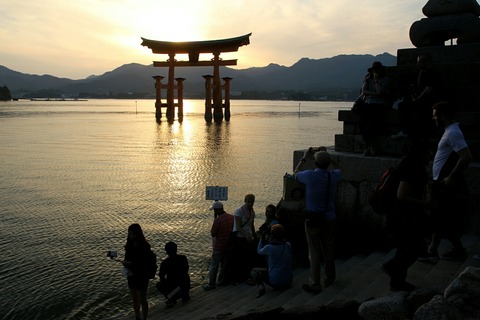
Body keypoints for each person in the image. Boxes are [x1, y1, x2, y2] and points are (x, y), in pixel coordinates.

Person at [420, 102, 473, 261]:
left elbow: (467, 157)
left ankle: (440, 250)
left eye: (435, 114)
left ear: (443, 115)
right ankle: (434, 250)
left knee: (439, 216)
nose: (433, 117)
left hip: (445, 183)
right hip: (440, 181)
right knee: (441, 216)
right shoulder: (449, 131)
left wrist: (451, 176)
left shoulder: (453, 133)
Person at [382, 140, 432, 292]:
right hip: (402, 216)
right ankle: (391, 267)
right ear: (421, 153)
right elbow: (401, 195)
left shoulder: (409, 164)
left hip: (401, 215)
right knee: (417, 246)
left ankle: (397, 282)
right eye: (429, 151)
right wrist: (425, 204)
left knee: (406, 247)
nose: (431, 155)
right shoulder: (413, 168)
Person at [294, 147, 341, 294]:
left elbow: (295, 173)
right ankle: (330, 277)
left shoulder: (309, 176)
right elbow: (339, 168)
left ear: (314, 163)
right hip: (330, 218)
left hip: (313, 219)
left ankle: (315, 284)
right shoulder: (333, 176)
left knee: (314, 252)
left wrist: (304, 158)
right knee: (329, 249)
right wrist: (328, 157)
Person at [392, 54, 441, 139]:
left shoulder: (431, 73)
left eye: (420, 62)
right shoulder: (420, 73)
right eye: (418, 62)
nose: (418, 64)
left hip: (428, 101)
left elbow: (428, 89)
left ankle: (407, 132)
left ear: (427, 62)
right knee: (402, 106)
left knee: (414, 111)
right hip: (419, 99)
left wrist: (418, 98)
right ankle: (405, 131)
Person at [358, 61, 392, 156]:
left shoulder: (385, 80)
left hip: (379, 104)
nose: (375, 72)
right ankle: (369, 146)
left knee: (372, 125)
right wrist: (367, 81)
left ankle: (368, 147)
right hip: (367, 104)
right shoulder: (368, 80)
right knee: (361, 123)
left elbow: (380, 92)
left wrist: (376, 81)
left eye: (377, 70)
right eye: (374, 70)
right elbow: (364, 91)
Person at [250, 224, 293, 298]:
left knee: (254, 271)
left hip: (276, 282)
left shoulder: (269, 248)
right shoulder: (288, 245)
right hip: (288, 280)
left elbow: (259, 251)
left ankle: (261, 288)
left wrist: (261, 238)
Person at [203, 201, 234, 291]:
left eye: (214, 210)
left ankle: (211, 284)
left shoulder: (217, 220)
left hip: (219, 246)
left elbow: (213, 234)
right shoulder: (231, 217)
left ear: (216, 210)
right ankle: (221, 281)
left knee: (214, 265)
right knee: (224, 264)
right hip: (228, 245)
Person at [123, 223, 151, 320]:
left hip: (142, 275)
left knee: (142, 299)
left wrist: (130, 264)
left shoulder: (145, 246)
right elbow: (127, 258)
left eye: (133, 234)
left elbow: (143, 263)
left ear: (138, 234)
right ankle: (137, 317)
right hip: (131, 274)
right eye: (130, 234)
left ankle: (144, 318)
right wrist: (125, 263)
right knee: (134, 298)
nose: (131, 236)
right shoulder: (129, 246)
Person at [230, 193, 257, 284]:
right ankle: (242, 277)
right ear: (245, 201)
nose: (250, 204)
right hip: (239, 237)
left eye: (252, 202)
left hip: (247, 236)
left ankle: (247, 276)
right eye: (249, 202)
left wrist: (254, 235)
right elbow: (238, 226)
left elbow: (252, 225)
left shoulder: (252, 212)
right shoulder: (239, 211)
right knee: (242, 257)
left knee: (249, 256)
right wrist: (247, 235)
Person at [156, 241, 191, 307]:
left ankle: (172, 297)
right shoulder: (183, 258)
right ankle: (184, 294)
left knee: (159, 284)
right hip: (185, 284)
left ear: (166, 251)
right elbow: (186, 270)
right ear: (176, 249)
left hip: (173, 285)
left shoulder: (165, 263)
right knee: (184, 278)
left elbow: (161, 277)